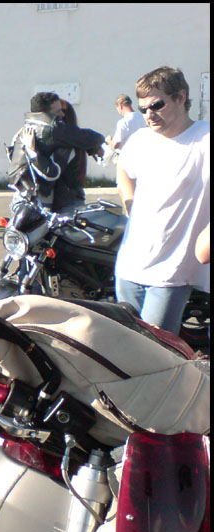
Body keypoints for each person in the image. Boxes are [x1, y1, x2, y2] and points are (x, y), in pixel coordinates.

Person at [115, 66, 210, 336]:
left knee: (155, 351)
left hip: (171, 272)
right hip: (129, 266)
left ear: (181, 97)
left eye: (156, 105)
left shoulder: (204, 138)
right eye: (143, 108)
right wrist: (129, 200)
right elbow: (123, 169)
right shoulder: (140, 140)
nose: (149, 114)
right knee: (126, 344)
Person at [7, 92, 104, 210]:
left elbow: (12, 156)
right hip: (43, 201)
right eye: (58, 111)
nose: (61, 115)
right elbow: (94, 138)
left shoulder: (23, 131)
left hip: (20, 195)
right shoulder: (53, 130)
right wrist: (33, 152)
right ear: (45, 114)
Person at [51, 99, 99, 213]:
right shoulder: (77, 139)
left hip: (66, 197)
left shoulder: (65, 138)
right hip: (73, 194)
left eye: (61, 112)